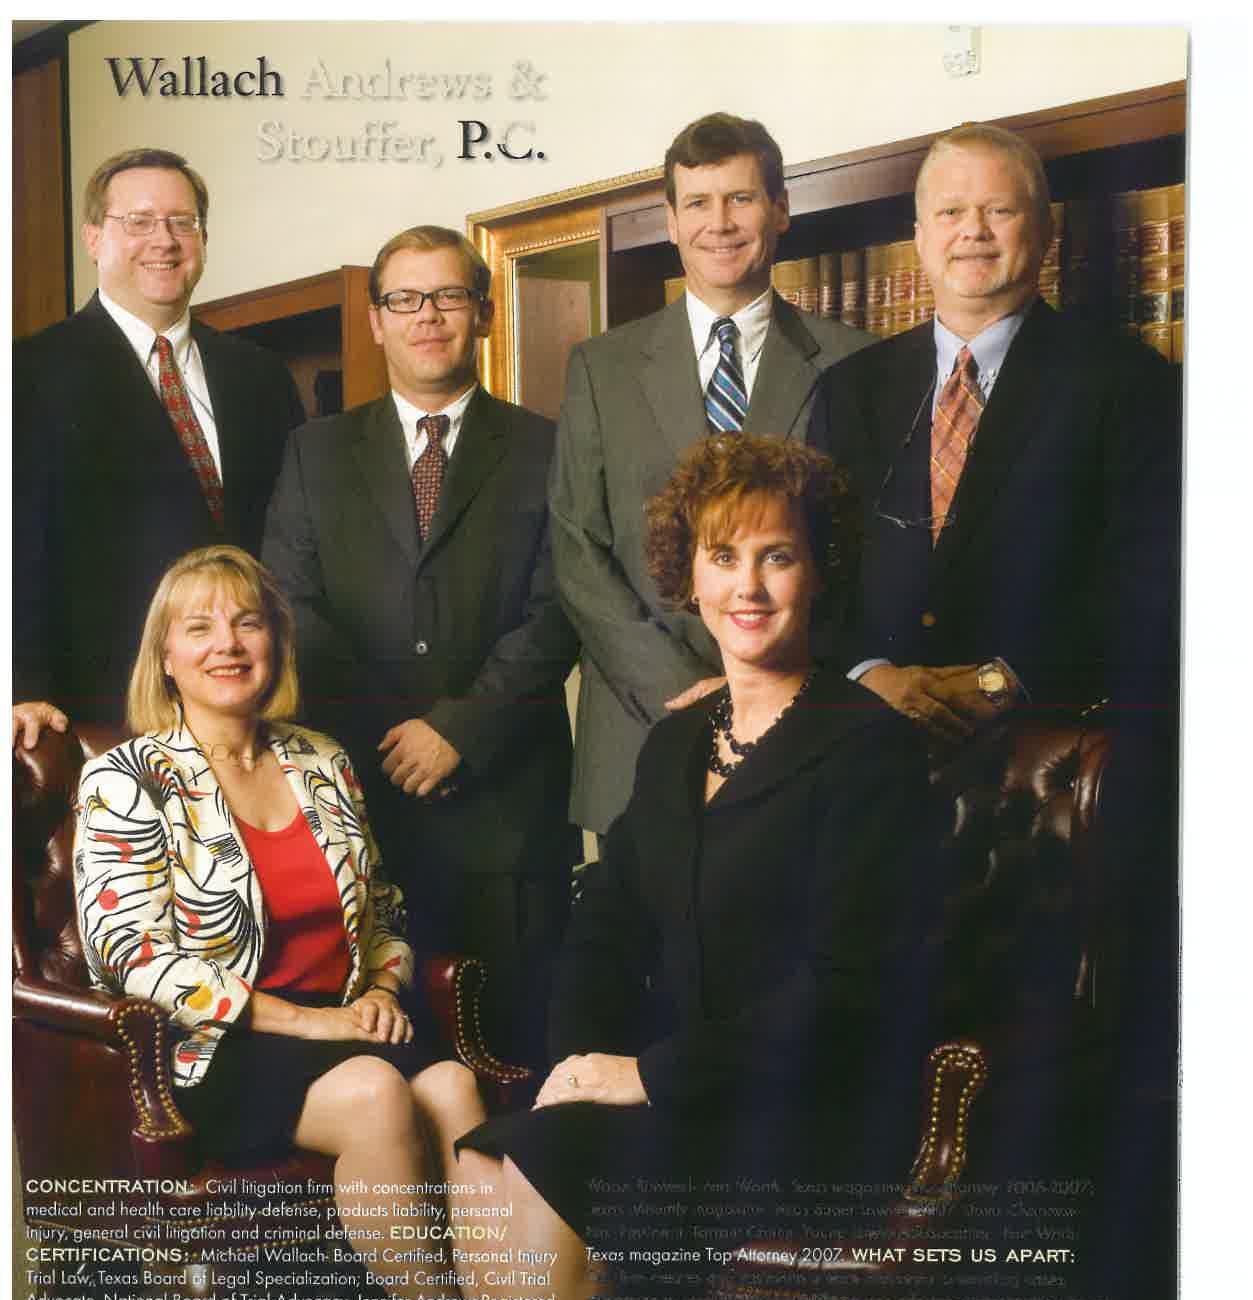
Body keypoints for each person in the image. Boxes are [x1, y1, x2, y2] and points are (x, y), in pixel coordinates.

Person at [348, 435, 935, 1300]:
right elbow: (606, 924)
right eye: (724, 557)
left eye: (779, 556)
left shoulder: (868, 747)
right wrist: (579, 1059)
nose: (749, 585)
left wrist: (647, 1074)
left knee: (530, 1165)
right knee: (492, 1153)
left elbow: (850, 990)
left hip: (809, 1113)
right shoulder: (679, 740)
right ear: (688, 575)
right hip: (688, 1094)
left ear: (821, 571)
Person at [72, 546, 489, 1300]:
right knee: (375, 1094)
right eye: (199, 627)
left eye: (247, 623)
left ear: (275, 644)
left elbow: (384, 909)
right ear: (166, 655)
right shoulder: (126, 778)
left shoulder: (322, 760)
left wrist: (382, 986)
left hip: (345, 1023)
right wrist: (310, 1023)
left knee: (453, 1087)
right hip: (221, 1046)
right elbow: (129, 954)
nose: (227, 644)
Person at [263, 226, 577, 1065]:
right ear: (376, 320)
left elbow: (561, 610)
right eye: (404, 299)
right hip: (362, 803)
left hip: (507, 813)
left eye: (447, 296)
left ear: (483, 313)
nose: (426, 316)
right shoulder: (315, 452)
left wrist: (457, 730)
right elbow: (291, 607)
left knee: (515, 1061)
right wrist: (396, 733)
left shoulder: (550, 446)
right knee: (380, 1065)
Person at [551, 112, 873, 839]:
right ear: (671, 221)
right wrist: (683, 688)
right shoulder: (601, 368)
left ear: (780, 209)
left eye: (741, 198)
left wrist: (771, 691)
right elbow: (576, 550)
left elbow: (855, 552)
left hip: (798, 730)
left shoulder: (853, 362)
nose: (719, 223)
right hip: (639, 729)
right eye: (697, 202)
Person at [810, 121, 1182, 738]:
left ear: (1044, 232)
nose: (973, 231)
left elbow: (1147, 580)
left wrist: (1002, 683)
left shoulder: (1125, 380)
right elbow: (810, 562)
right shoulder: (849, 389)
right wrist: (867, 674)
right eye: (950, 212)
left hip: (1040, 741)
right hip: (866, 738)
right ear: (919, 238)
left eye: (999, 210)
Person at [13, 147, 305, 746]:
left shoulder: (261, 375)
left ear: (203, 239)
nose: (164, 241)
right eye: (139, 221)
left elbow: (296, 540)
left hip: (254, 706)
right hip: (106, 709)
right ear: (94, 238)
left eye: (182, 222)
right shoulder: (28, 374)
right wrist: (20, 684)